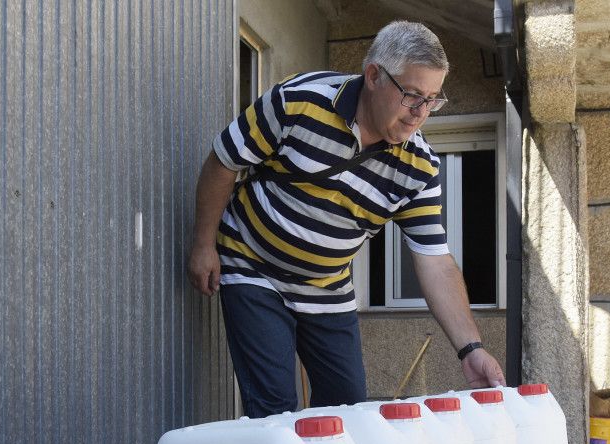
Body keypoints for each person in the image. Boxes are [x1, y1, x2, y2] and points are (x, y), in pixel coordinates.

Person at [187, 20, 504, 418]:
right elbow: (223, 161)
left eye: (433, 100)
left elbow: (435, 260)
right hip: (253, 265)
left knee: (349, 413)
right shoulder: (299, 101)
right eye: (412, 96)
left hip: (327, 289)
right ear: (374, 76)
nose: (420, 114)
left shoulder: (419, 167)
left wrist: (471, 348)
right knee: (276, 413)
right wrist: (203, 244)